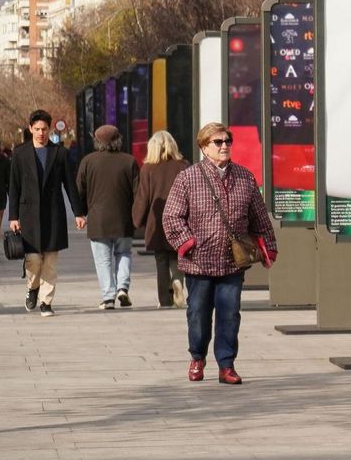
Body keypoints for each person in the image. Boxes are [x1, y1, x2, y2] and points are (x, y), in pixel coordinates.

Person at [162, 122, 277, 384]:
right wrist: (186, 242)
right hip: (198, 262)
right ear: (204, 147)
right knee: (198, 314)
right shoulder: (187, 178)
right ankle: (197, 357)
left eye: (227, 141)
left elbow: (259, 216)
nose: (224, 146)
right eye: (218, 142)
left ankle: (226, 364)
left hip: (232, 262)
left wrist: (268, 245)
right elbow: (171, 217)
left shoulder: (245, 177)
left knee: (229, 313)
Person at [7, 109, 85, 318]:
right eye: (37, 129)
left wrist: (78, 213)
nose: (41, 133)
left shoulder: (60, 153)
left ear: (49, 130)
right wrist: (13, 216)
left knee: (50, 260)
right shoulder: (20, 154)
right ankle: (33, 288)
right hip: (28, 214)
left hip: (53, 213)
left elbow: (70, 185)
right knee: (33, 259)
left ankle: (46, 302)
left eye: (44, 129)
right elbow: (13, 187)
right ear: (30, 128)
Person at [75, 125, 141, 310]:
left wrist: (79, 213)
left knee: (103, 260)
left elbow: (79, 191)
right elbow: (138, 193)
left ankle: (108, 296)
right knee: (124, 253)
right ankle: (122, 288)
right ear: (118, 139)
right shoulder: (129, 161)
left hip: (98, 220)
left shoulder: (88, 161)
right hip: (123, 219)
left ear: (96, 141)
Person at [133, 130, 191, 307]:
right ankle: (178, 283)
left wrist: (137, 220)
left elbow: (143, 197)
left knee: (161, 261)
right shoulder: (184, 165)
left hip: (158, 222)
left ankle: (165, 300)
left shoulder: (148, 169)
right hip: (180, 221)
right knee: (178, 257)